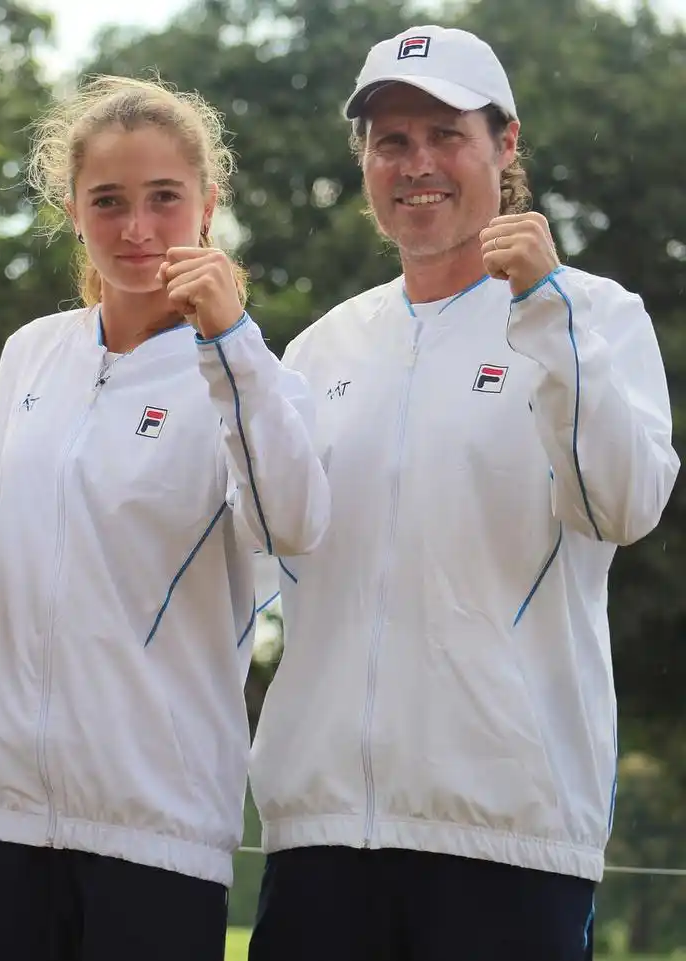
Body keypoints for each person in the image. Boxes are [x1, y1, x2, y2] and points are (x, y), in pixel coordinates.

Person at [240, 25, 680, 961]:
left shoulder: (595, 313)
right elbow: (253, 553)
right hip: (319, 834)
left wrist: (547, 311)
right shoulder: (321, 348)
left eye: (447, 135)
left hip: (508, 835)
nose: (418, 164)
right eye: (392, 141)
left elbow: (623, 505)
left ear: (505, 144)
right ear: (365, 161)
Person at [0, 75, 330, 961]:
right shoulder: (35, 354)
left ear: (208, 206)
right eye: (109, 201)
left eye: (163, 200)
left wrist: (232, 349)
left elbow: (290, 525)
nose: (137, 229)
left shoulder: (258, 378)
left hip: (159, 829)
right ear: (74, 209)